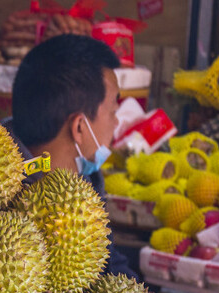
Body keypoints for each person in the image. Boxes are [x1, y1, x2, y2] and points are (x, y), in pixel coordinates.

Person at [9, 34, 138, 278]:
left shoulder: (86, 181)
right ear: (79, 127)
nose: (117, 122)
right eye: (112, 112)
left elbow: (111, 263)